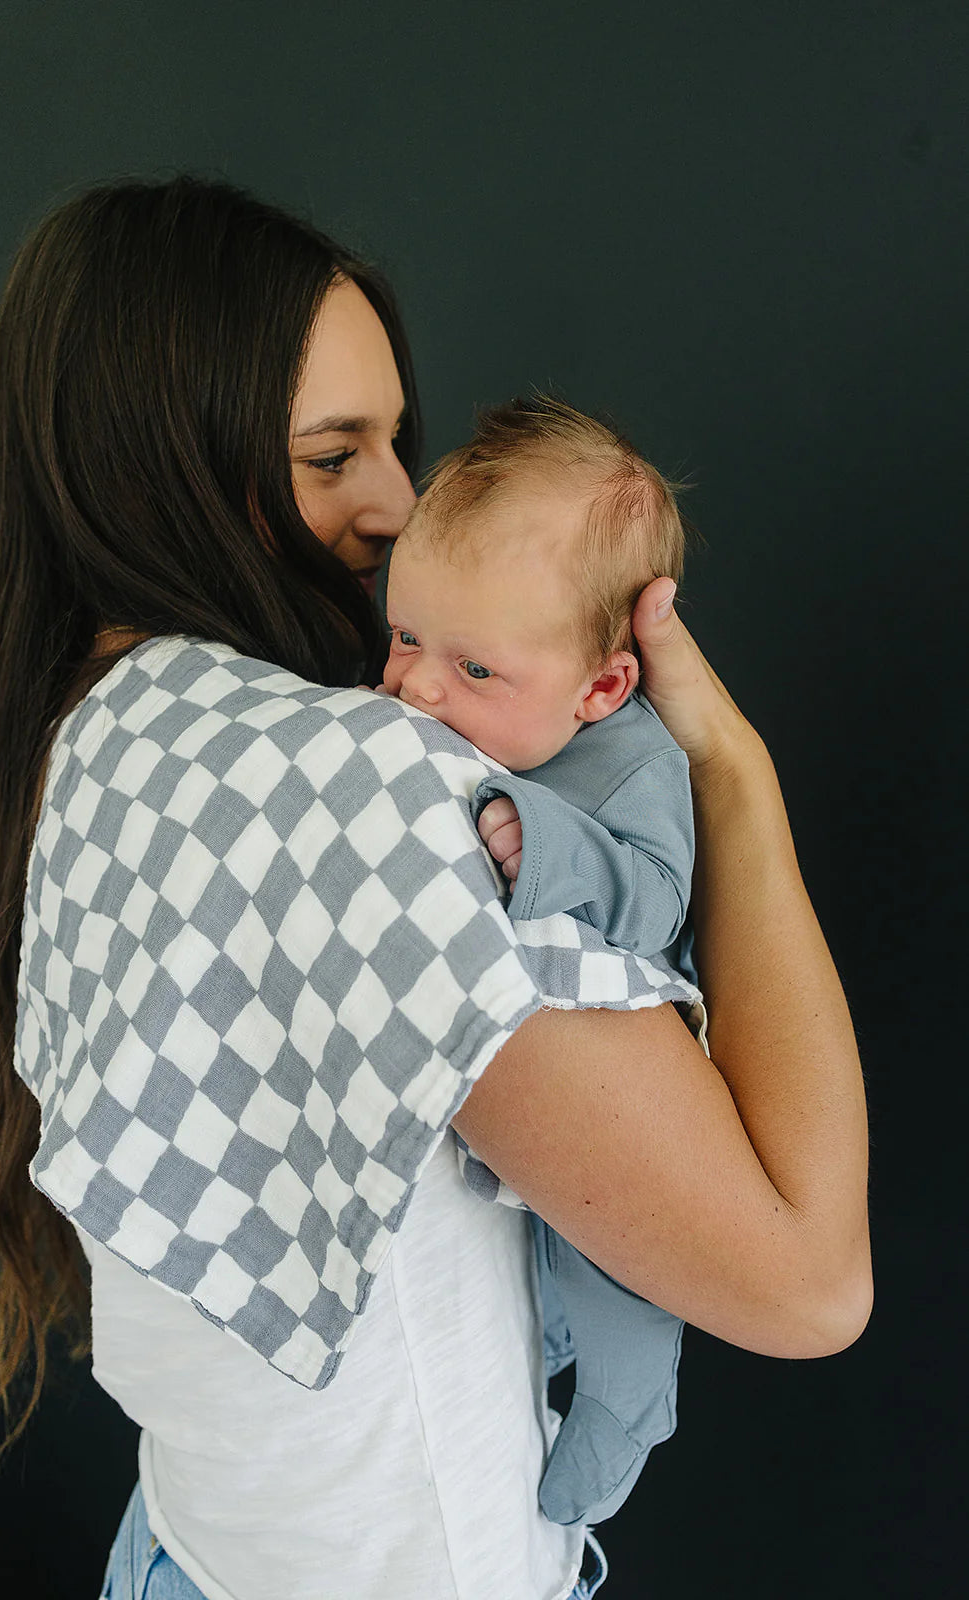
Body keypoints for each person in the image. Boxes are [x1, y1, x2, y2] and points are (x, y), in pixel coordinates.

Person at [0, 176, 872, 1600]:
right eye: (331, 457)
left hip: (182, 1553)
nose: (397, 504)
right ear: (157, 468)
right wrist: (733, 779)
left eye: (396, 441)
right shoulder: (378, 787)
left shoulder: (99, 733)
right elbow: (807, 1285)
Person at [380, 392, 696, 1527]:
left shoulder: (630, 763)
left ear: (599, 686)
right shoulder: (448, 716)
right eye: (405, 636)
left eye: (472, 671)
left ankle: (626, 1409)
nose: (415, 684)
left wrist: (543, 840)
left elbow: (655, 898)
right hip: (505, 1066)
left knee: (618, 1275)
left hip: (628, 1085)